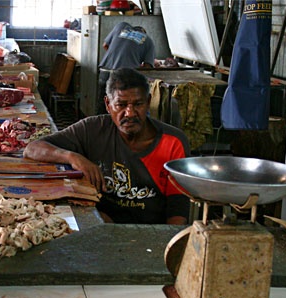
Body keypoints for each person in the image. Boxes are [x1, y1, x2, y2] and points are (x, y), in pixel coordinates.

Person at [24, 68, 190, 225]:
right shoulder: (92, 129)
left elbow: (178, 209)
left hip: (150, 232)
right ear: (108, 104)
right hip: (102, 224)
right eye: (121, 105)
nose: (130, 113)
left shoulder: (173, 142)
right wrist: (72, 157)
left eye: (138, 104)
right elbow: (32, 148)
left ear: (148, 102)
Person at [97, 22, 156, 114]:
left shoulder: (121, 26)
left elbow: (105, 45)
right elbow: (147, 68)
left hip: (105, 71)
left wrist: (116, 57)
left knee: (103, 105)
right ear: (144, 32)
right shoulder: (148, 41)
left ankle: (101, 127)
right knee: (119, 109)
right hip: (125, 77)